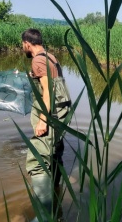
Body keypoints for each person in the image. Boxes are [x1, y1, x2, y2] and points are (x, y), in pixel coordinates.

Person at [21, 28, 72, 219]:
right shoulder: (50, 56)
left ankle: (44, 215)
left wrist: (43, 120)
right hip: (61, 110)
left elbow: (48, 91)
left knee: (38, 158)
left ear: (27, 42)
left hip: (50, 112)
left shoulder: (37, 59)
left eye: (22, 45)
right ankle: (55, 198)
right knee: (54, 152)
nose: (22, 48)